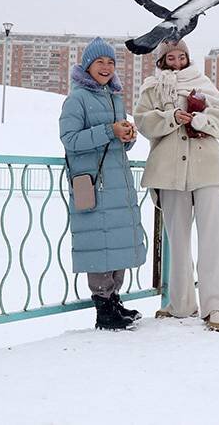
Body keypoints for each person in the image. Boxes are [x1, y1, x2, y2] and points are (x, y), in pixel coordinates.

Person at [133, 39, 219, 332]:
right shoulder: (152, 88)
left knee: (213, 237)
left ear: (188, 58)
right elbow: (143, 122)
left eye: (181, 57)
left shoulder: (203, 83)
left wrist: (200, 120)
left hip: (207, 168)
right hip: (169, 170)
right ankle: (181, 303)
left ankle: (215, 305)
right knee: (176, 239)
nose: (176, 62)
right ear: (162, 60)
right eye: (171, 58)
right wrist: (171, 117)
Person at [59, 37, 146, 331]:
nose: (106, 67)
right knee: (99, 245)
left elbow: (117, 143)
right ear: (88, 65)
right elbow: (70, 140)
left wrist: (127, 137)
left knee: (117, 243)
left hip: (117, 183)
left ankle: (114, 301)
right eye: (100, 62)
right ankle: (103, 307)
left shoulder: (115, 97)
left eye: (111, 62)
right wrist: (110, 130)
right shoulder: (77, 99)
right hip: (94, 184)